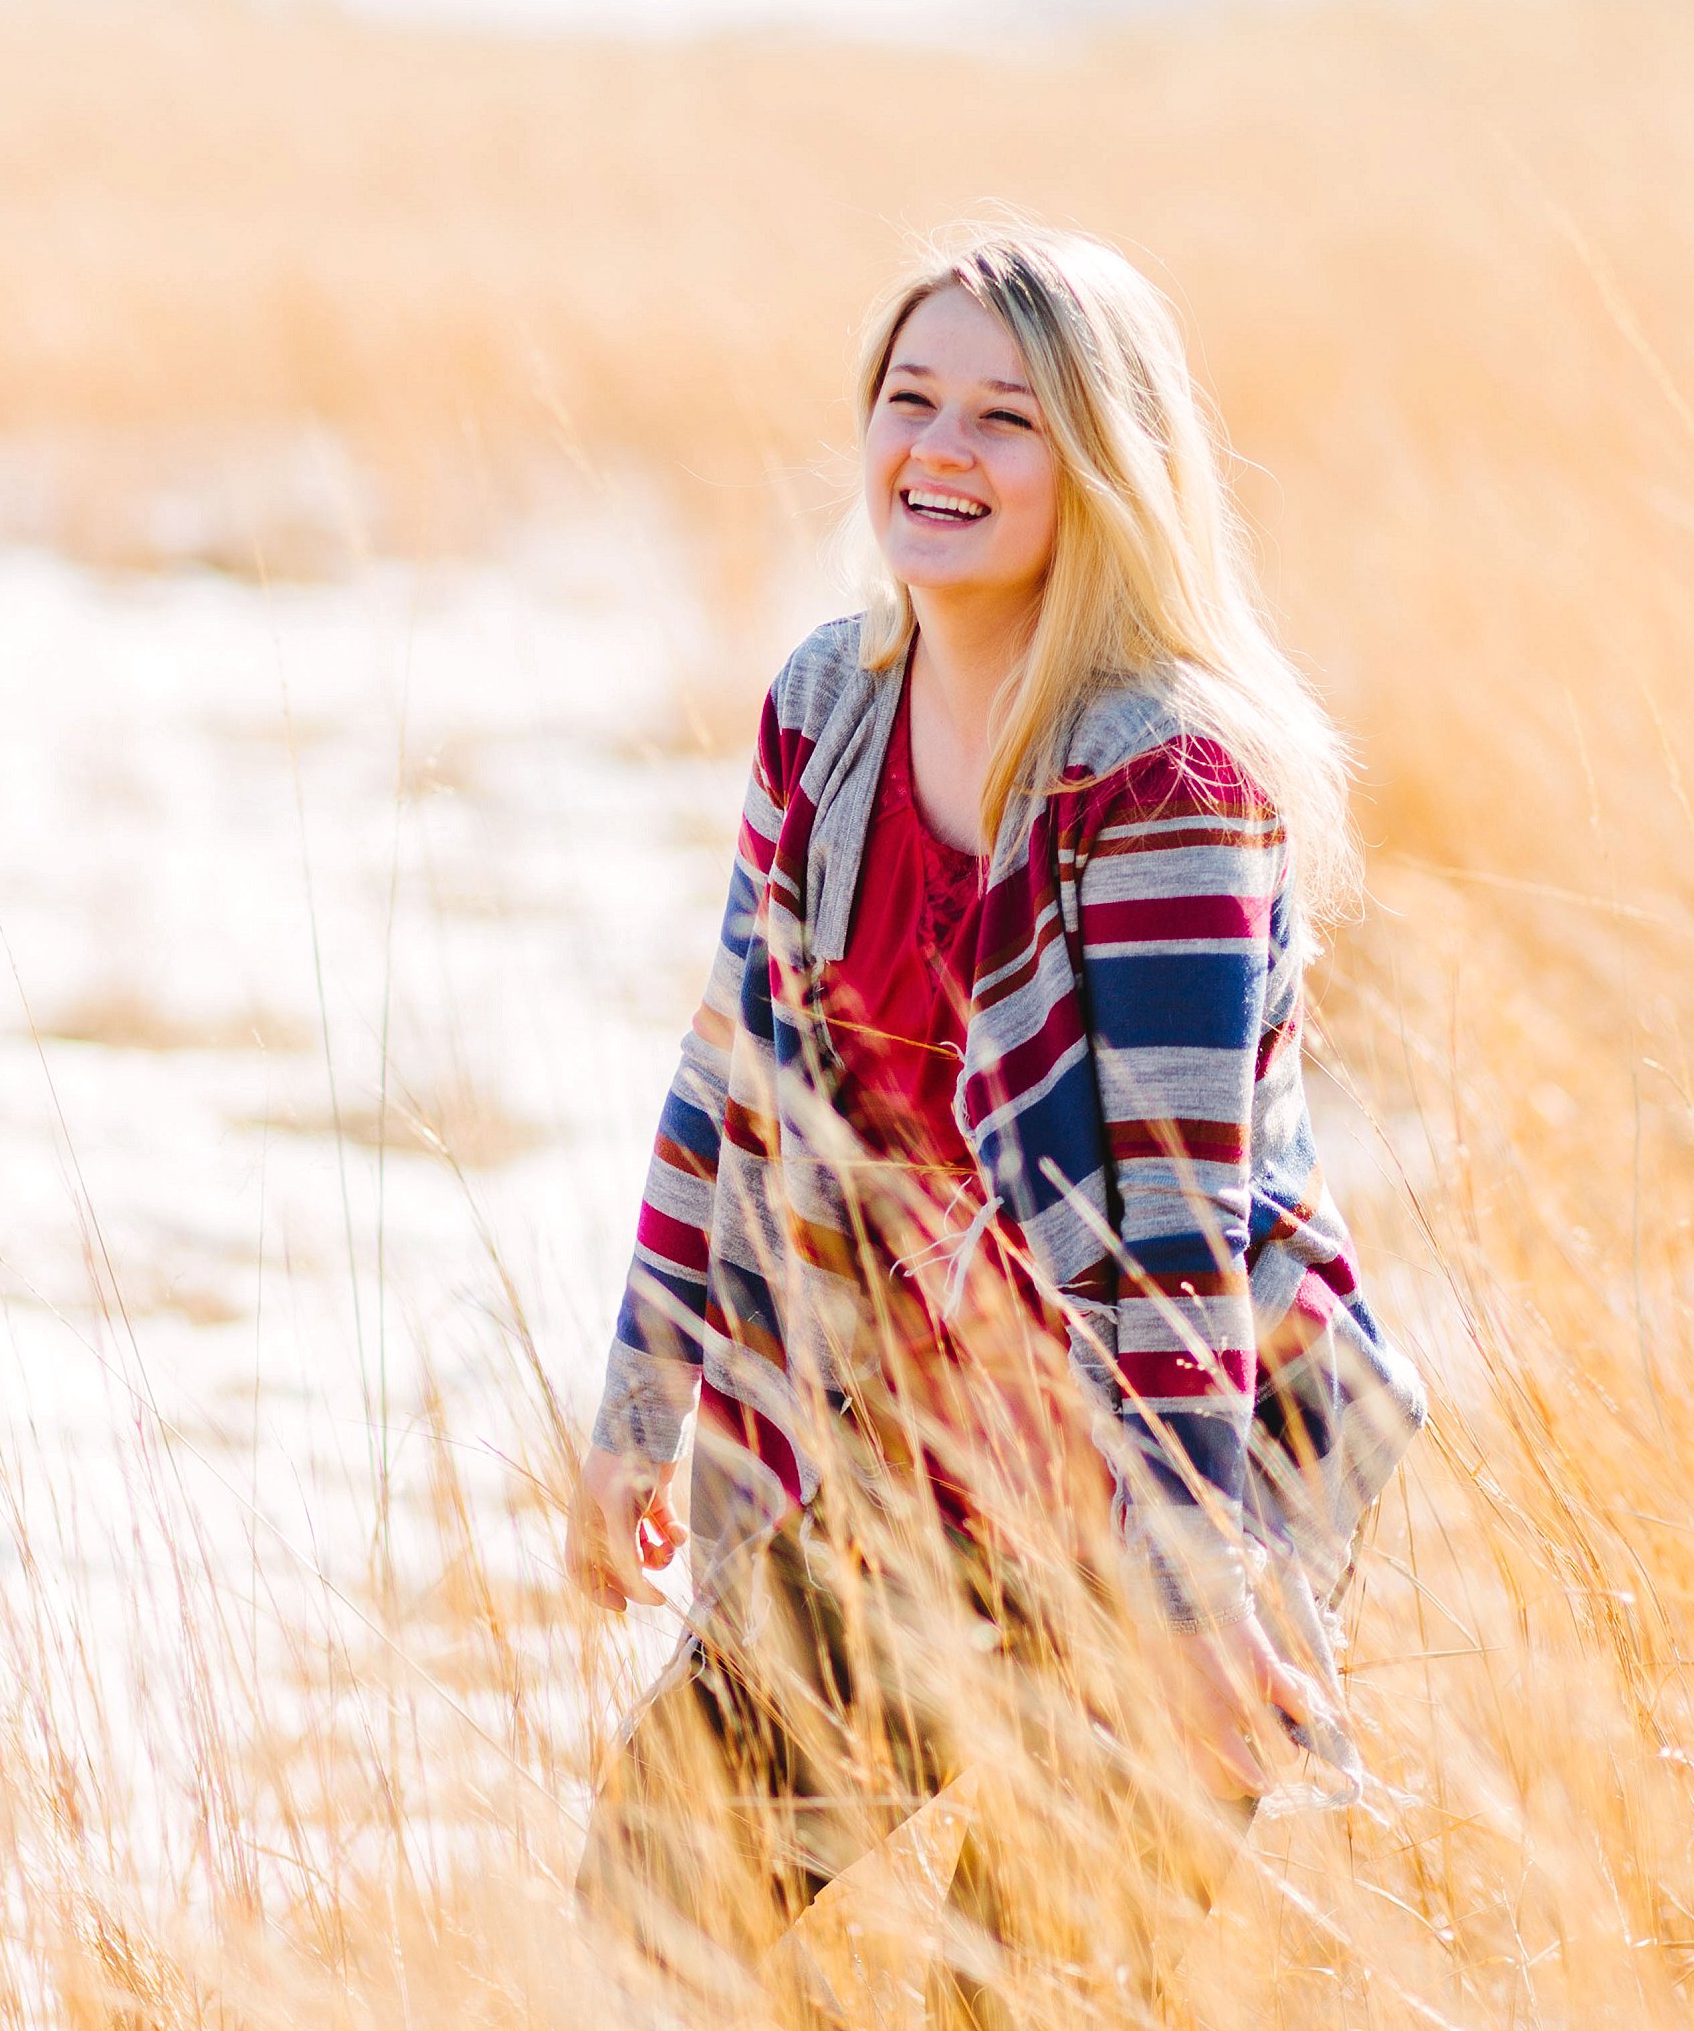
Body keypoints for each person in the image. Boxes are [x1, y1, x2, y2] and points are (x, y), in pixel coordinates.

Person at [564, 223, 1426, 2027]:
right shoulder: (827, 711)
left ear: (1103, 466)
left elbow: (1177, 1227)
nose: (938, 450)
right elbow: (728, 1078)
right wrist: (640, 1409)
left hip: (1172, 1468)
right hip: (919, 1463)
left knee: (1024, 1993)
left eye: (1005, 418)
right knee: (663, 1874)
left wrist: (1190, 1599)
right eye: (910, 399)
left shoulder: (1166, 779)